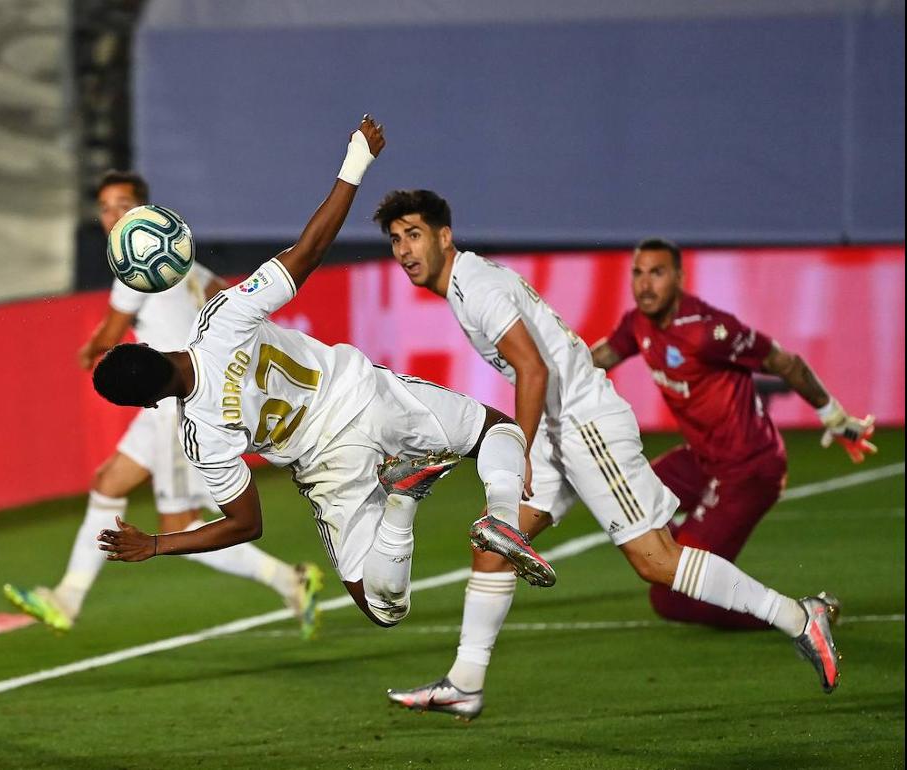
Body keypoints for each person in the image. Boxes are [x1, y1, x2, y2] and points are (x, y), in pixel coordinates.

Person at [373, 190, 841, 720]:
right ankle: (465, 682)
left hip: (582, 427)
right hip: (558, 428)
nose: (405, 249)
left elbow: (534, 369)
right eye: (395, 239)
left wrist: (518, 449)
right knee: (493, 545)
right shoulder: (468, 283)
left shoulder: (475, 287)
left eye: (414, 234)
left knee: (656, 561)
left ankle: (800, 617)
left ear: (444, 235)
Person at [94, 117, 555, 633]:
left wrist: (157, 544)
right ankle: (501, 515)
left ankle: (403, 498)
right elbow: (309, 251)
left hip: (327, 465)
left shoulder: (200, 433)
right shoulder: (220, 318)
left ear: (150, 403)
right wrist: (356, 160)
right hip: (363, 392)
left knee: (384, 609)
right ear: (155, 346)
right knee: (498, 430)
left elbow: (247, 524)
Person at [3, 171, 324, 639]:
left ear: (143, 210)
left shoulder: (137, 261)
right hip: (166, 395)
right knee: (108, 481)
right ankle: (67, 598)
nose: (114, 216)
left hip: (178, 404)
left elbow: (111, 334)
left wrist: (91, 351)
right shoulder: (181, 262)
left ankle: (288, 579)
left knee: (181, 527)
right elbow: (223, 298)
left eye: (124, 205)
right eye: (107, 208)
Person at [589, 237, 874, 629]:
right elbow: (600, 357)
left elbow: (786, 363)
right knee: (625, 492)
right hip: (703, 457)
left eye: (657, 273)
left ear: (679, 277)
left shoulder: (710, 331)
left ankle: (799, 616)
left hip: (749, 469)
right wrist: (549, 368)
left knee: (673, 597)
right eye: (638, 273)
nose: (645, 284)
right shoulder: (638, 323)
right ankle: (696, 549)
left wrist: (835, 416)